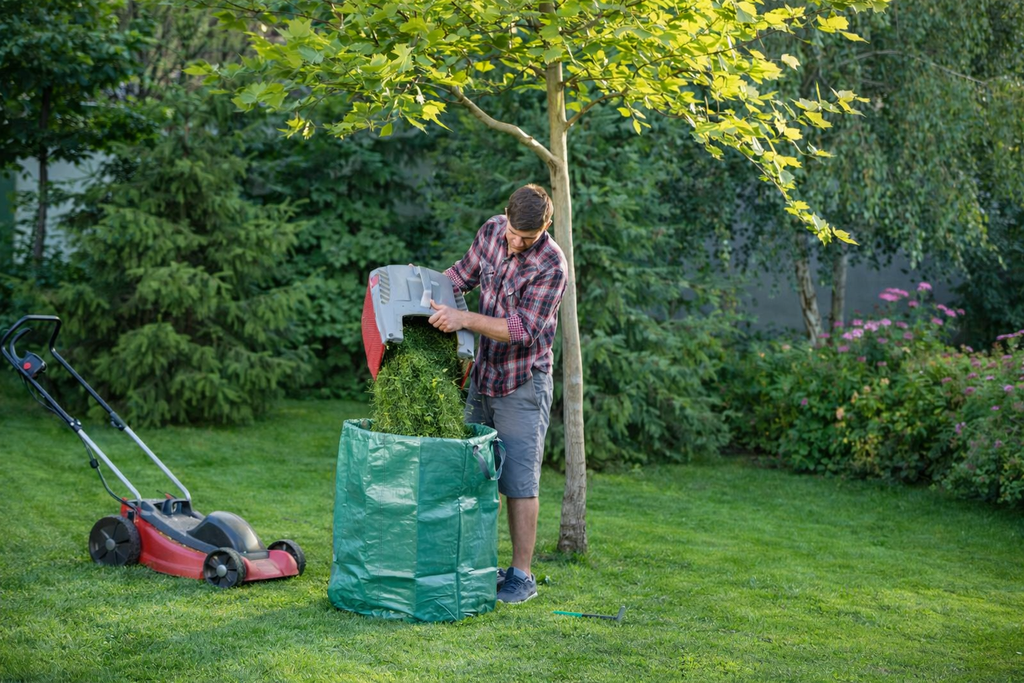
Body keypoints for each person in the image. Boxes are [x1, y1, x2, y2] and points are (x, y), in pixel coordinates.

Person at [428, 184, 567, 605]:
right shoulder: (491, 230)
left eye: (528, 237)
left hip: (523, 381)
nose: (517, 243)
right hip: (483, 375)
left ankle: (522, 576)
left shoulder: (552, 265)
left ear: (546, 225)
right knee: (474, 472)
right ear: (505, 215)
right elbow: (460, 276)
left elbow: (523, 330)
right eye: (513, 233)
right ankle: (480, 565)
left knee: (518, 481)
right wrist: (426, 289)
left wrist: (464, 318)